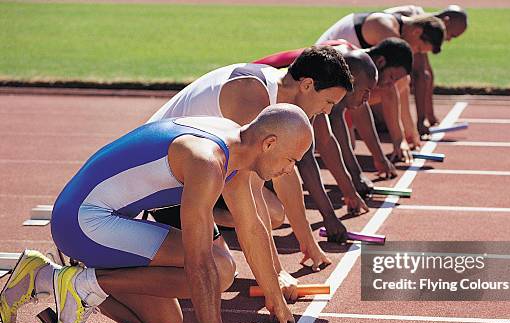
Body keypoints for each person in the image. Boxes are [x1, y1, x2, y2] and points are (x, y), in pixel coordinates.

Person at [1, 105, 313, 323]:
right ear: (269, 144)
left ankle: (45, 277)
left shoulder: (238, 146)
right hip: (81, 223)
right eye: (291, 160)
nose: (290, 170)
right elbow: (199, 264)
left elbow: (251, 224)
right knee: (219, 267)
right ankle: (79, 283)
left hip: (104, 218)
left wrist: (274, 296)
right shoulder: (207, 161)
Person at [149, 46, 358, 246]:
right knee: (222, 272)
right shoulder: (251, 96)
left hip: (194, 168)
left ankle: (194, 211)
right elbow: (248, 191)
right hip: (159, 174)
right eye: (329, 102)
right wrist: (276, 273)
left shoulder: (279, 96)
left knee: (274, 214)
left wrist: (307, 242)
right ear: (307, 85)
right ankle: (176, 210)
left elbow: (287, 173)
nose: (329, 111)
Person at [254, 38, 414, 196]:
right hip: (262, 88)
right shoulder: (335, 73)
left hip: (280, 90)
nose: (389, 83)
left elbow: (359, 114)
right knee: (296, 149)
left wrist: (377, 159)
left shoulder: (357, 65)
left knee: (341, 143)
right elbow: (326, 138)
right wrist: (354, 179)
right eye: (392, 77)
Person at [316, 11, 446, 159]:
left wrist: (408, 133)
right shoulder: (386, 30)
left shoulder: (395, 28)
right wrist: (400, 139)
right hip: (325, 78)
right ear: (417, 32)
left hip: (347, 81)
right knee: (341, 144)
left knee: (391, 84)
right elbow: (392, 87)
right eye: (419, 49)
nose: (415, 53)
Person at [383, 5, 468, 136]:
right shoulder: (420, 25)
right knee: (405, 79)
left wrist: (431, 115)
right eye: (452, 35)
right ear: (446, 21)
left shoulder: (426, 23)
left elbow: (428, 73)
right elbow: (420, 75)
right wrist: (421, 122)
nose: (450, 40)